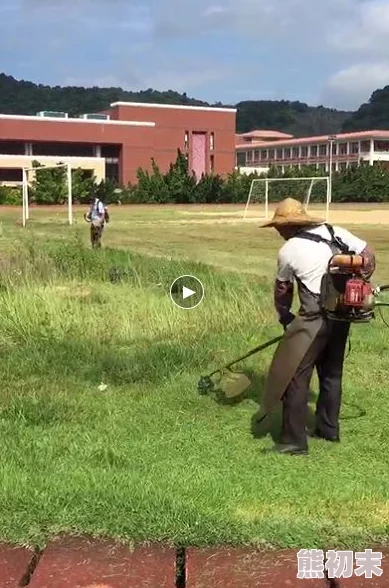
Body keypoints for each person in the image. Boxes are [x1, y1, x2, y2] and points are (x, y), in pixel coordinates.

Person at [259, 198, 376, 455]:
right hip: (343, 314)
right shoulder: (334, 232)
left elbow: (283, 290)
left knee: (295, 375)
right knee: (332, 373)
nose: (278, 232)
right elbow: (368, 254)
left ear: (290, 226)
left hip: (314, 318)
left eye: (279, 227)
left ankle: (293, 441)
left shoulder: (289, 249)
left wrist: (285, 317)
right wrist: (361, 281)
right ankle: (328, 430)